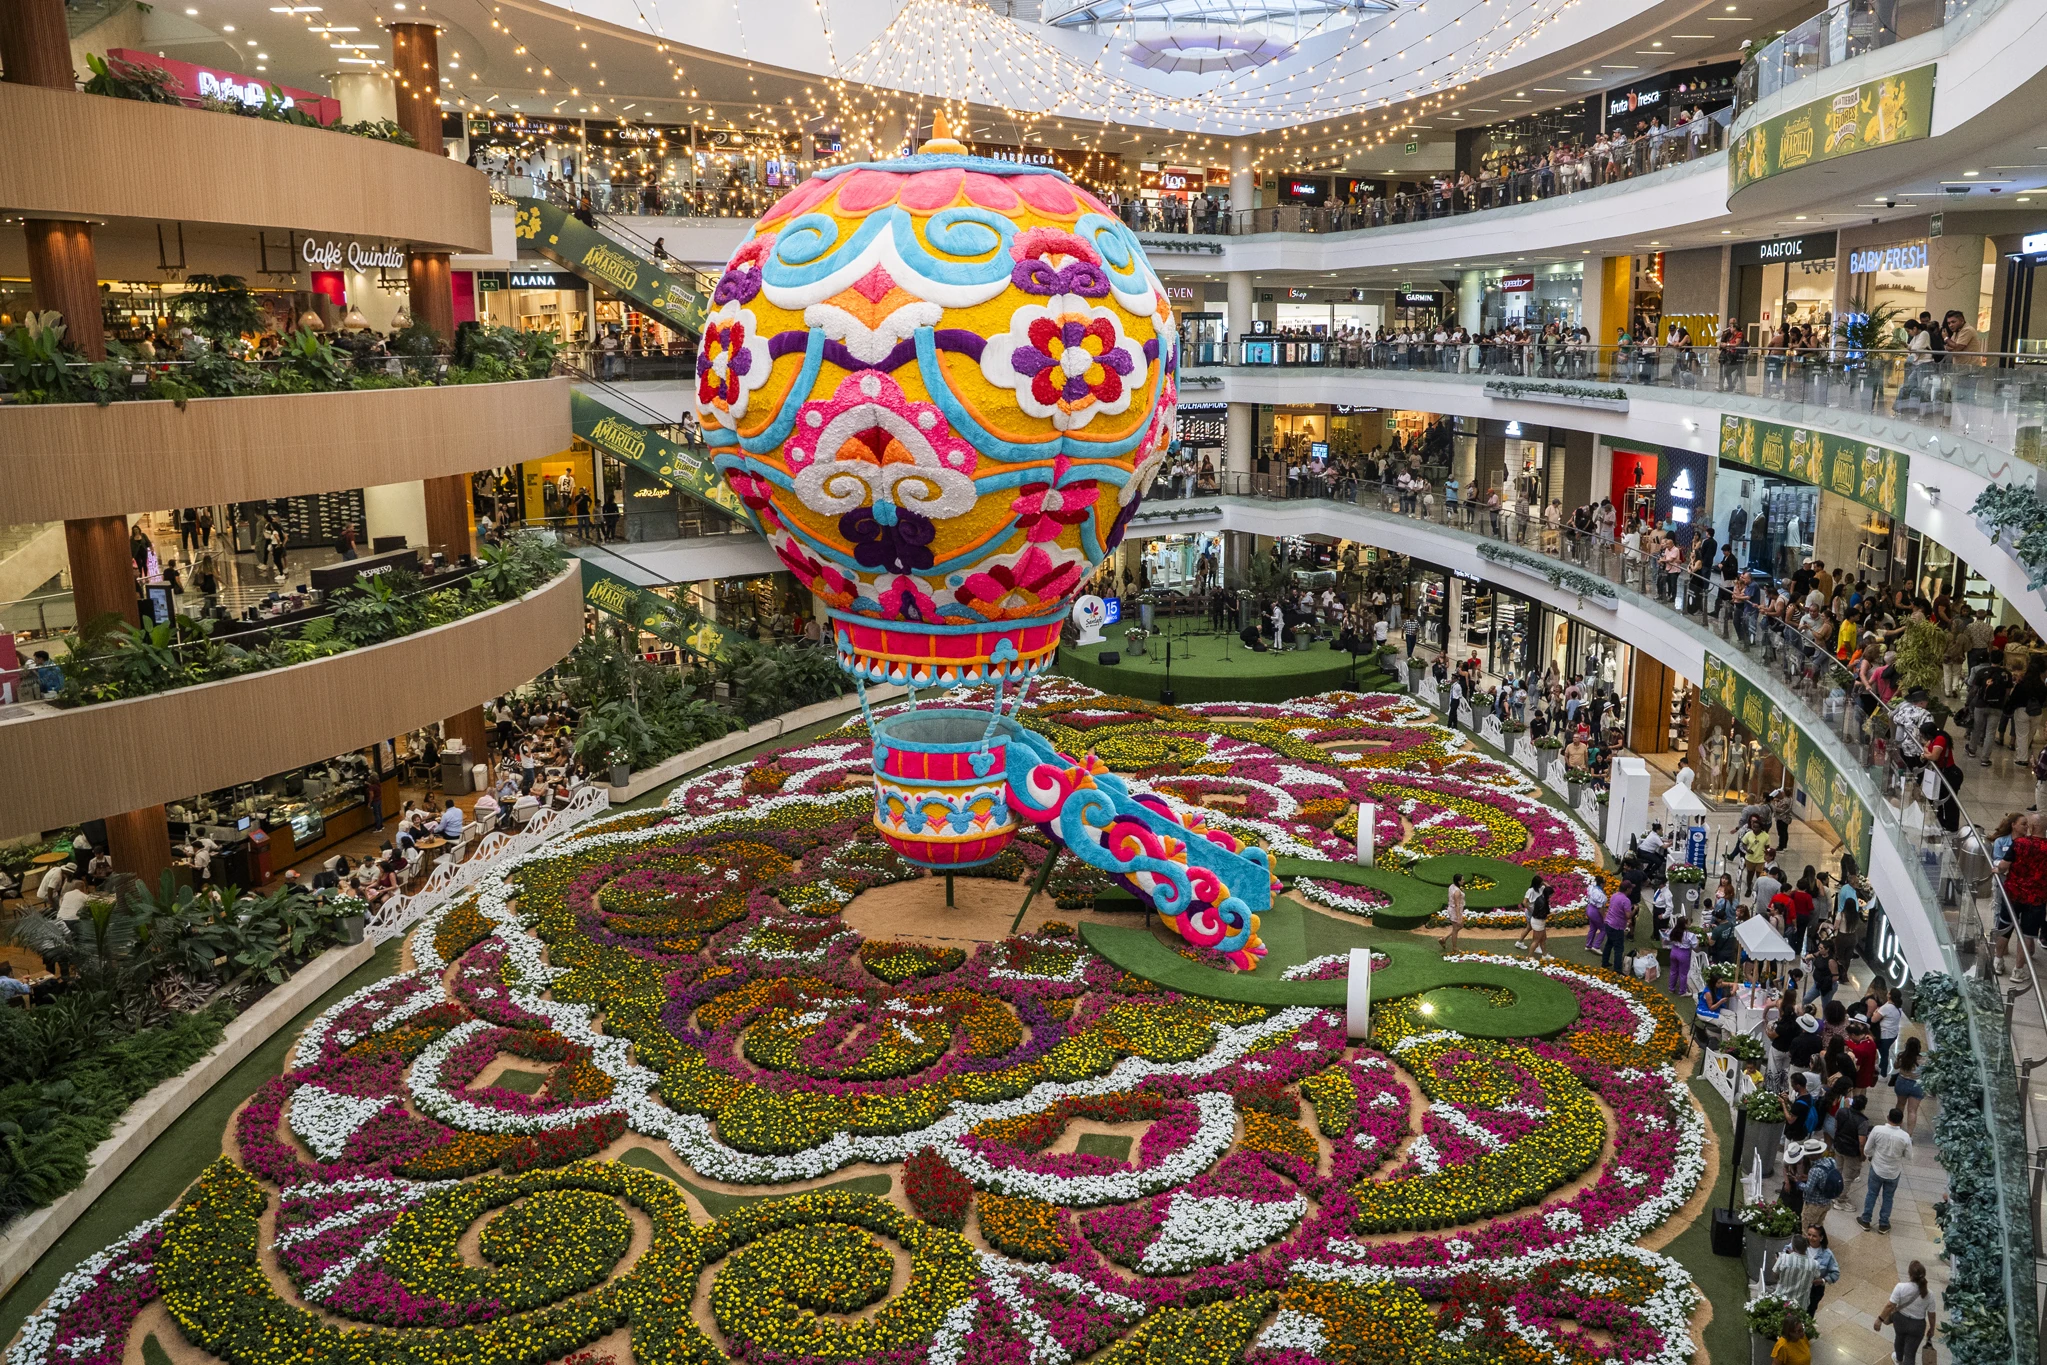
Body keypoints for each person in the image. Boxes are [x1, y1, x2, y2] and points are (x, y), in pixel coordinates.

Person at [1858, 1106, 1914, 1232]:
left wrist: (1872, 1156)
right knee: (1888, 1197)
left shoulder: (1877, 1130)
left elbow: (1867, 1149)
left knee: (1872, 1193)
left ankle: (1866, 1219)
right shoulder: (1905, 1137)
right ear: (1901, 1121)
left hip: (1877, 1167)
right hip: (1894, 1172)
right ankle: (1883, 1223)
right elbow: (1909, 1156)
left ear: (1888, 1117)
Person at [1877, 1262, 1935, 1365]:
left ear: (1910, 1274)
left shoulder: (1900, 1287)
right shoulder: (1929, 1294)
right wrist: (1932, 1328)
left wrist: (1879, 1320)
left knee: (1899, 1338)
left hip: (1900, 1320)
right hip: (1917, 1326)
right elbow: (1931, 1314)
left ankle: (1898, 1359)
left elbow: (1890, 1305)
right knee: (1910, 1354)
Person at [1443, 873, 1467, 954]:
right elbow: (1457, 905)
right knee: (1456, 929)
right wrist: (1459, 917)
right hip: (1455, 911)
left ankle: (1444, 939)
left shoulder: (1452, 886)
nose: (1464, 881)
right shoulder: (1457, 892)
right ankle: (1454, 948)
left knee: (1458, 927)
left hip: (1452, 909)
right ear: (1458, 881)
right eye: (1462, 880)